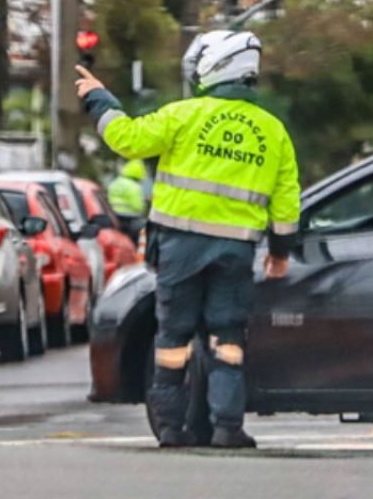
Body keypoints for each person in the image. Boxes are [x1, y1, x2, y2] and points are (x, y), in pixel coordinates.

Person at [74, 30, 301, 449]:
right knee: (228, 340)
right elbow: (286, 204)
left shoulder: (184, 114)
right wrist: (281, 254)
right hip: (236, 251)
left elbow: (127, 139)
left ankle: (171, 429)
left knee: (172, 339)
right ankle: (227, 428)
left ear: (214, 67)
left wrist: (100, 99)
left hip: (179, 247)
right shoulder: (273, 131)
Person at [108, 158, 148, 242]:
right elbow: (138, 206)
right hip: (131, 218)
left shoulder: (115, 183)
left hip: (114, 217)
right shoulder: (134, 186)